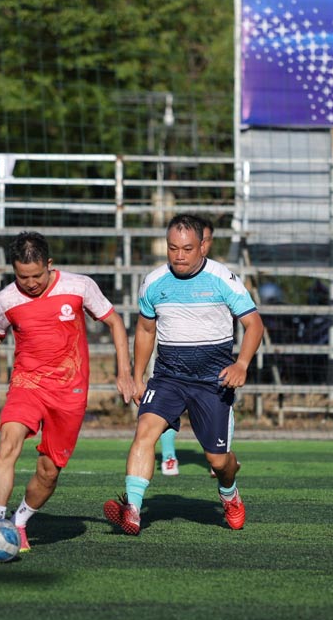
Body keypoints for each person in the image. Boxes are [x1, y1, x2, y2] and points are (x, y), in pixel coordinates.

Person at [0, 231, 135, 552]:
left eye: (36, 275)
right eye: (22, 276)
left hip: (70, 393)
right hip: (27, 384)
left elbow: (114, 322)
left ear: (49, 264)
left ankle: (17, 525)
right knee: (8, 444)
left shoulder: (79, 286)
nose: (29, 283)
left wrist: (125, 371)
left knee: (48, 472)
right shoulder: (6, 299)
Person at [104, 214, 264, 534]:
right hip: (168, 378)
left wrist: (242, 364)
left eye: (187, 249)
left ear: (202, 247)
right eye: (173, 248)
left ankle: (229, 493)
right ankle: (133, 509)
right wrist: (138, 376)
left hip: (211, 381)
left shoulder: (222, 279)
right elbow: (146, 330)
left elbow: (254, 324)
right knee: (145, 433)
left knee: (218, 462)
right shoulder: (154, 281)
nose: (179, 255)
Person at [158, 217, 215, 477]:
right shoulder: (162, 277)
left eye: (207, 240)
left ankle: (218, 457)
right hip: (171, 357)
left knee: (216, 412)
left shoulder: (221, 276)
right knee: (166, 409)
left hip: (210, 363)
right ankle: (169, 457)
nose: (204, 245)